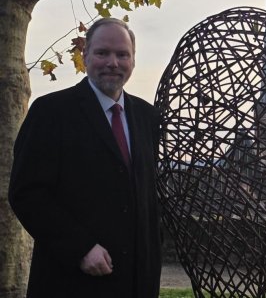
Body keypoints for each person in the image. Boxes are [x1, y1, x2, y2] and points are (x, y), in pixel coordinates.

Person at [9, 18, 162, 298]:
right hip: (70, 280)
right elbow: (27, 194)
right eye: (103, 53)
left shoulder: (148, 117)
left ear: (133, 60)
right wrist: (80, 248)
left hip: (135, 282)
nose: (113, 63)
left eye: (122, 54)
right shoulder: (50, 112)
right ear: (85, 55)